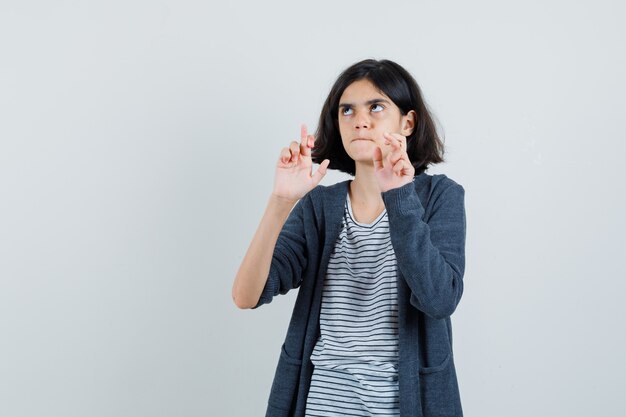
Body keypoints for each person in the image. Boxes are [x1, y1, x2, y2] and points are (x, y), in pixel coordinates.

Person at [232, 59, 466, 417]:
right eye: (347, 110)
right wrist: (281, 202)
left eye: (376, 106)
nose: (360, 120)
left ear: (408, 122)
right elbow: (246, 295)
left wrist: (400, 196)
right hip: (322, 405)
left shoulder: (439, 197)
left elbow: (439, 299)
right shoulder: (319, 206)